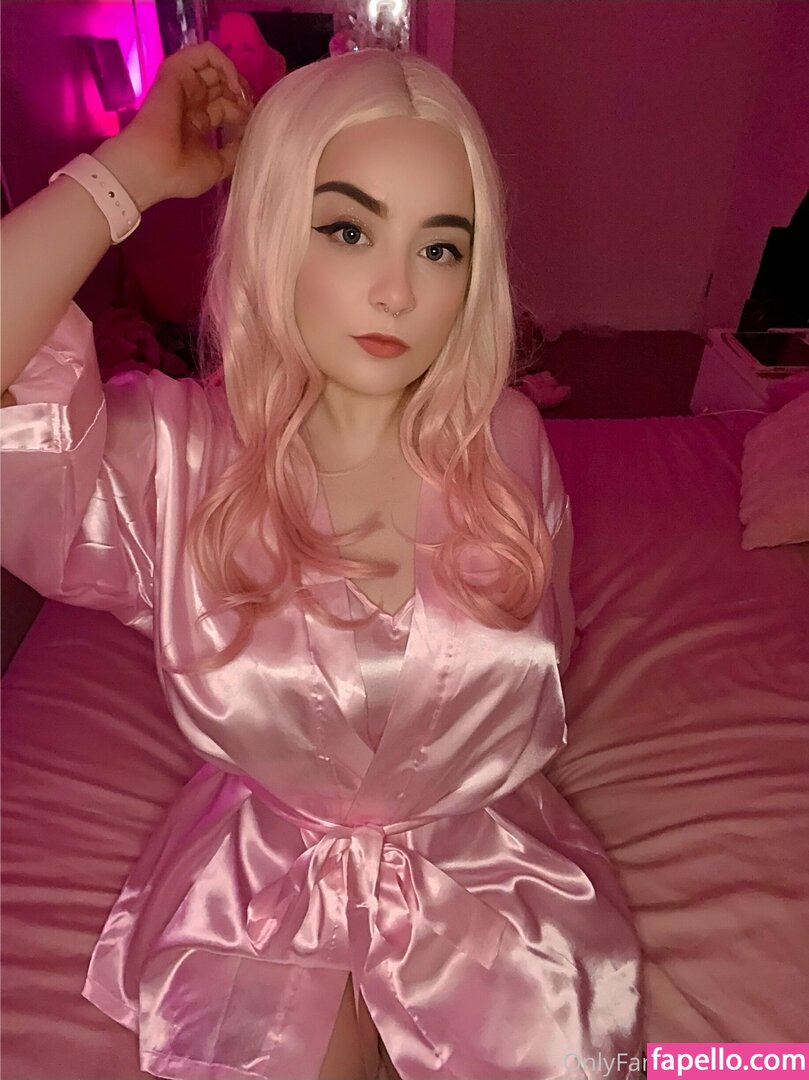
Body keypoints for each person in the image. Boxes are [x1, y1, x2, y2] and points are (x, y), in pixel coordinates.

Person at [0, 41, 643, 1080]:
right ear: (272, 233)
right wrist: (129, 175)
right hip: (260, 889)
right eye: (347, 230)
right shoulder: (176, 460)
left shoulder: (507, 442)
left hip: (483, 876)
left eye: (441, 249)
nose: (397, 292)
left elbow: (544, 651)